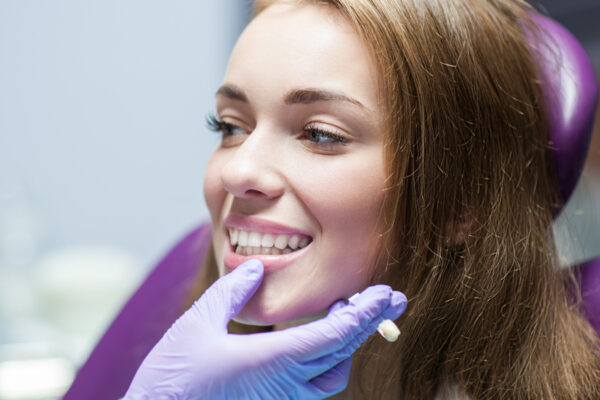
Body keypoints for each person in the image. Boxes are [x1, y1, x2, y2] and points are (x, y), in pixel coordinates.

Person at [126, 0, 600, 398]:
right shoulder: (177, 302)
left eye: (320, 134)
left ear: (461, 203)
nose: (236, 171)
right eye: (230, 126)